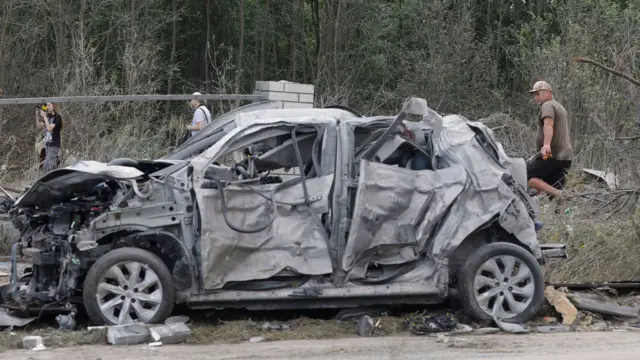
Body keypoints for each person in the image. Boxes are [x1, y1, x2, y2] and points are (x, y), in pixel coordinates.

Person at [526, 81, 572, 198]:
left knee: (525, 176)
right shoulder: (559, 107)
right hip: (564, 156)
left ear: (547, 92)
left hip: (551, 154)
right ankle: (562, 207)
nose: (536, 97)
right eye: (534, 95)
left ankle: (559, 194)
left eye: (538, 94)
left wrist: (546, 145)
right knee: (553, 188)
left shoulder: (547, 105)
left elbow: (548, 124)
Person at [36, 102, 63, 173]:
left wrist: (44, 117)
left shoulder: (57, 117)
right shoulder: (48, 116)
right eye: (46, 105)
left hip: (54, 145)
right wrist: (37, 116)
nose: (47, 107)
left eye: (49, 105)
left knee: (46, 166)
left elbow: (49, 128)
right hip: (47, 145)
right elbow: (38, 126)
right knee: (52, 166)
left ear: (53, 106)